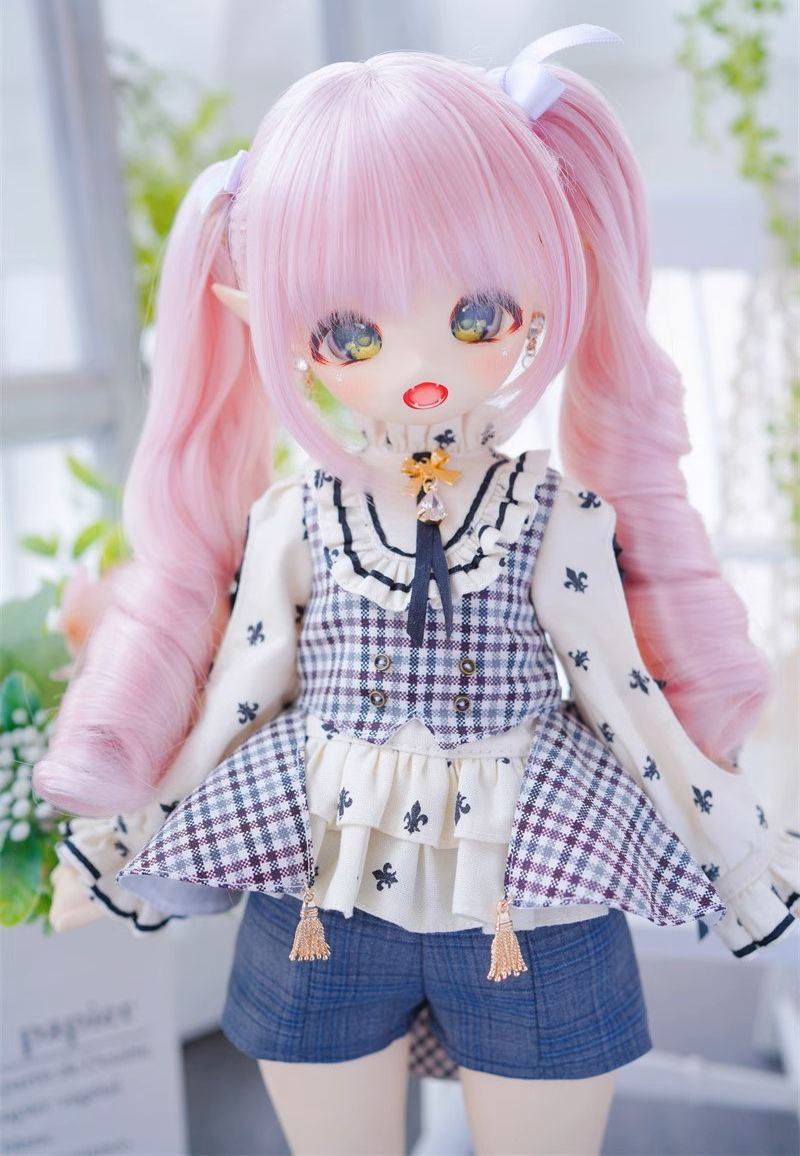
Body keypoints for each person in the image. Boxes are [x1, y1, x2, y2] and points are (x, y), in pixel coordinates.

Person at [35, 25, 799, 1156]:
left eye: (475, 314)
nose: (419, 364)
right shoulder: (297, 519)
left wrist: (736, 849)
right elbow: (239, 694)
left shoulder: (555, 517)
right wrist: (125, 833)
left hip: (530, 878)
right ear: (264, 319)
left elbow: (622, 695)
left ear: (549, 279)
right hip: (318, 881)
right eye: (350, 331)